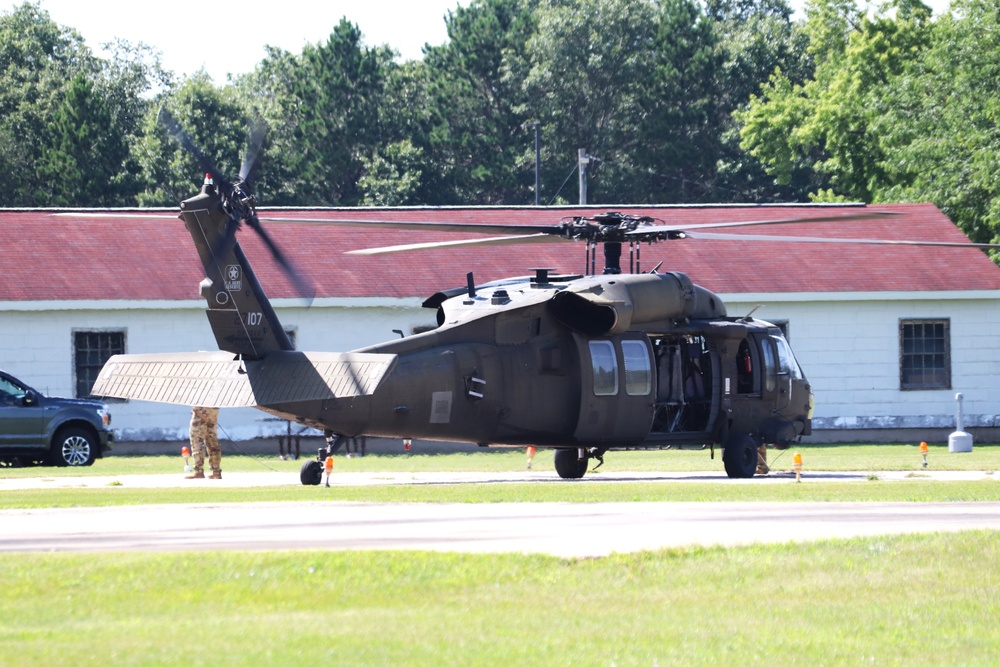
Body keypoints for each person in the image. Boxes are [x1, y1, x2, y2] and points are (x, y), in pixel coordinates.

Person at [187, 406, 221, 479]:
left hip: (201, 409)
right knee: (212, 441)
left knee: (197, 440)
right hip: (213, 408)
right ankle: (216, 471)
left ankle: (198, 471)